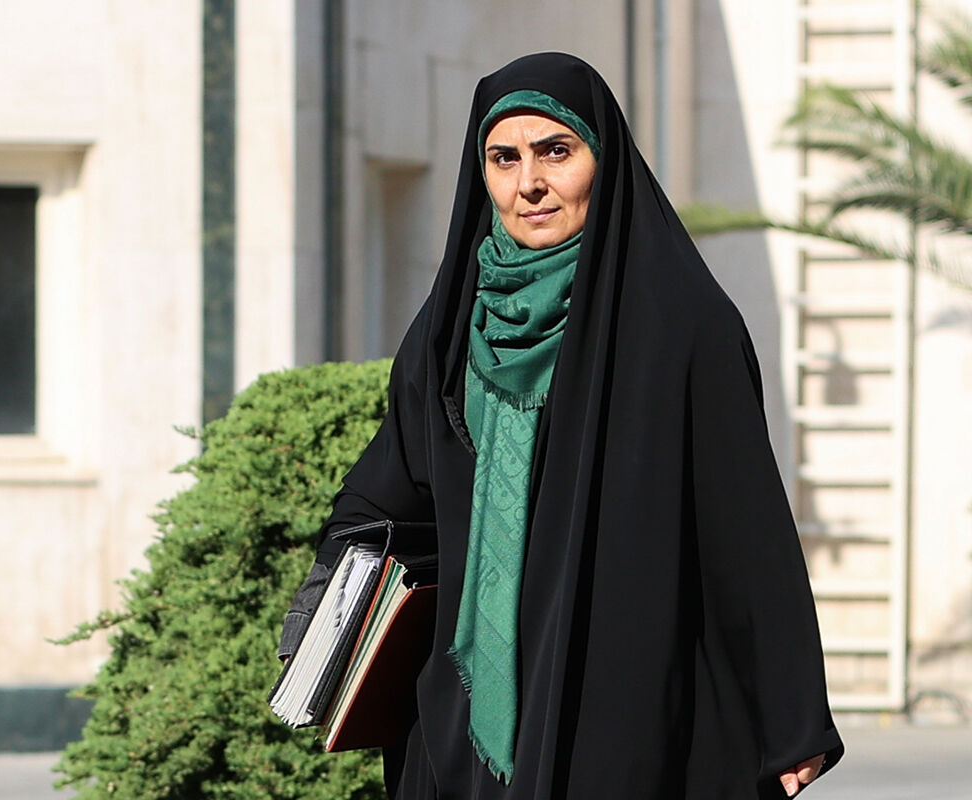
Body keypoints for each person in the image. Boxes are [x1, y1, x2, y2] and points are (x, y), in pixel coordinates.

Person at [278, 52, 843, 800]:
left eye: (555, 151)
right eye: (503, 158)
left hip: (621, 698)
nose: (529, 184)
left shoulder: (684, 327)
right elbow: (393, 490)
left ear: (603, 159)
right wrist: (330, 604)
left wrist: (790, 714)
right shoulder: (449, 329)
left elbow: (745, 531)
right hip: (459, 714)